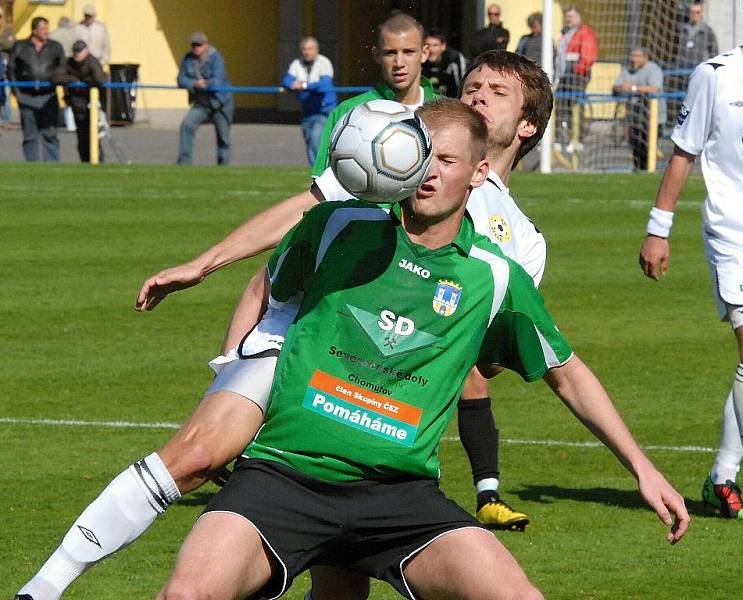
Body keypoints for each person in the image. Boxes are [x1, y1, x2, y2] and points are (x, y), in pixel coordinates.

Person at [12, 28, 548, 598]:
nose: (478, 96)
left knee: (341, 566)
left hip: (368, 385)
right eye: (473, 85)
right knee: (196, 454)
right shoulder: (402, 149)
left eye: (498, 91)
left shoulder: (520, 244)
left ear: (526, 125)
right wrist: (205, 266)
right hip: (297, 337)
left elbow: (480, 360)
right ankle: (44, 586)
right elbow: (305, 216)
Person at [156, 98, 689, 600]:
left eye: (448, 160)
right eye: (421, 153)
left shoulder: (494, 278)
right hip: (284, 478)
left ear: (479, 174)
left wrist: (642, 468)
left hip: (399, 498)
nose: (428, 170)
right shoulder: (340, 227)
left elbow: (568, 374)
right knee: (187, 593)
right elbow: (265, 292)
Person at [639, 0, 743, 524]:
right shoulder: (715, 76)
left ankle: (721, 476)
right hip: (735, 236)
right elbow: (684, 151)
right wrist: (658, 230)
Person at [7, 17, 66, 162]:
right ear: (34, 30)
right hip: (26, 97)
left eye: (47, 28)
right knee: (30, 135)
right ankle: (32, 166)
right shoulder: (20, 46)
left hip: (49, 96)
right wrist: (17, 92)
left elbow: (62, 67)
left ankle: (52, 166)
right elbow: (11, 70)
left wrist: (51, 80)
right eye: (43, 29)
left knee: (50, 133)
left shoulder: (55, 47)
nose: (46, 32)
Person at [176, 31, 234, 166]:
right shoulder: (188, 59)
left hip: (220, 102)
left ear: (206, 45)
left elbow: (218, 80)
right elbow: (181, 79)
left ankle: (223, 167)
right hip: (201, 103)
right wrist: (194, 84)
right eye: (194, 45)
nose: (196, 48)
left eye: (199, 45)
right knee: (186, 126)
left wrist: (206, 84)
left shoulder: (216, 58)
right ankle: (184, 163)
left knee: (223, 137)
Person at [282, 36, 337, 166]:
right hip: (307, 111)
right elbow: (286, 80)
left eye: (310, 49)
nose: (307, 52)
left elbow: (325, 84)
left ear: (317, 50)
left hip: (324, 111)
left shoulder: (324, 63)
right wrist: (292, 84)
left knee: (315, 139)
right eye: (305, 49)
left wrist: (304, 85)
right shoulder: (297, 64)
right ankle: (318, 170)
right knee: (309, 140)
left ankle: (318, 173)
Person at [612, 47, 665, 171]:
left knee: (648, 146)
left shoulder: (654, 69)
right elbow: (616, 86)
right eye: (632, 56)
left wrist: (633, 88)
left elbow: (655, 88)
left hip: (653, 115)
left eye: (636, 56)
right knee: (635, 145)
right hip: (635, 115)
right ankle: (638, 171)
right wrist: (621, 88)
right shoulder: (627, 69)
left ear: (645, 57)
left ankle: (650, 171)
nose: (633, 59)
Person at [554, 5, 598, 154]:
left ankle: (577, 140)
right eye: (567, 17)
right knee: (560, 105)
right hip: (564, 75)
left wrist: (577, 70)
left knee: (575, 105)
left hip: (577, 75)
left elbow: (588, 56)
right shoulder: (565, 32)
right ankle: (559, 140)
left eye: (571, 17)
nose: (568, 19)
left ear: (579, 17)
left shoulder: (585, 32)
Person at [668, 1, 719, 123]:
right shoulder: (681, 30)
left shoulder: (708, 31)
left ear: (701, 13)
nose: (694, 15)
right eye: (692, 12)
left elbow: (714, 52)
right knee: (682, 102)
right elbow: (673, 50)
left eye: (697, 12)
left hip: (698, 73)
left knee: (698, 102)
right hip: (681, 73)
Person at [62, 40, 105, 162]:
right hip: (77, 105)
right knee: (82, 139)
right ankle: (85, 162)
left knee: (94, 138)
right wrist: (72, 79)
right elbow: (56, 76)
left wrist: (85, 83)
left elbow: (100, 80)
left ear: (86, 51)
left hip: (92, 106)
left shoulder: (93, 62)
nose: (77, 55)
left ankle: (98, 162)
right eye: (75, 52)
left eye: (79, 52)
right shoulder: (69, 63)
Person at [422, 29, 467, 98]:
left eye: (435, 45)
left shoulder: (454, 60)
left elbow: (462, 86)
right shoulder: (419, 61)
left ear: (443, 47)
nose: (431, 49)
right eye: (428, 45)